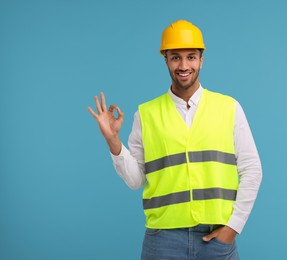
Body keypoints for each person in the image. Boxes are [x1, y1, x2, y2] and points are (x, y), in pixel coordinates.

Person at [88, 20, 262, 260]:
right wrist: (113, 141)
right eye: (175, 57)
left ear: (201, 59)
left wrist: (233, 227)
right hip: (162, 242)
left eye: (191, 57)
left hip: (216, 240)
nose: (183, 65)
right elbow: (135, 180)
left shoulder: (229, 108)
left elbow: (252, 170)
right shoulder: (146, 114)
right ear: (166, 60)